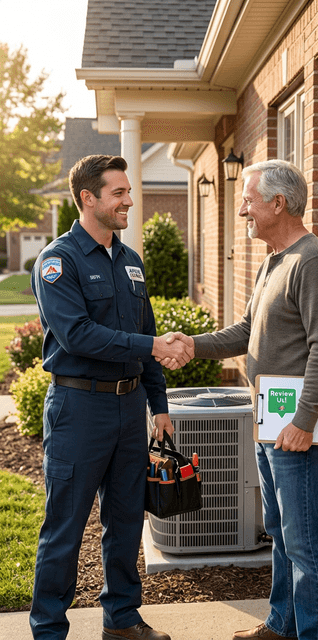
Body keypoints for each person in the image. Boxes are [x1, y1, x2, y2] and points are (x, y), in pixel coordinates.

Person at [29, 155, 193, 640]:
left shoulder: (131, 262)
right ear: (88, 198)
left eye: (128, 191)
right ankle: (48, 631)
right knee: (65, 529)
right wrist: (151, 347)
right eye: (118, 193)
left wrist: (158, 406)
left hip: (128, 411)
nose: (129, 200)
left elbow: (147, 335)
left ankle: (122, 620)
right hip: (79, 410)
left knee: (125, 523)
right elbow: (78, 335)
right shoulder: (58, 261)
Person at [160, 159, 318, 640]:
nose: (243, 209)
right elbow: (248, 332)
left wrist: (305, 419)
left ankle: (308, 632)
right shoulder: (273, 260)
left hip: (293, 429)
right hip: (267, 420)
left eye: (249, 199)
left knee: (304, 545)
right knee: (278, 532)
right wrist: (193, 345)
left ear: (279, 202)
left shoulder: (310, 261)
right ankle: (279, 625)